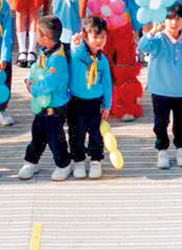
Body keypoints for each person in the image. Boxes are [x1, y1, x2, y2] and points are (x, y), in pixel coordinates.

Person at [137, 3, 182, 169]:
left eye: (178, 19)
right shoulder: (158, 40)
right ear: (163, 21)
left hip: (181, 91)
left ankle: (180, 148)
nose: (174, 23)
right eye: (169, 19)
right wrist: (152, 31)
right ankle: (162, 149)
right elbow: (142, 46)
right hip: (160, 90)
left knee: (180, 122)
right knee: (161, 122)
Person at [19, 14, 72, 182]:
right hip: (42, 104)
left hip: (55, 105)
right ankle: (31, 161)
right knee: (37, 133)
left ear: (45, 38)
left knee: (55, 137)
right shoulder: (44, 52)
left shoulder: (58, 59)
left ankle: (64, 164)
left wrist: (33, 88)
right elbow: (36, 68)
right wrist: (29, 79)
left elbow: (51, 82)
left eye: (37, 33)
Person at [66, 16, 113, 179]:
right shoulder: (79, 54)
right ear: (85, 36)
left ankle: (95, 160)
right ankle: (78, 160)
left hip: (95, 103)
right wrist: (75, 44)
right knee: (76, 133)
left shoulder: (102, 60)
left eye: (103, 37)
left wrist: (107, 105)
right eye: (95, 36)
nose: (99, 41)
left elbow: (107, 84)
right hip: (76, 102)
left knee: (96, 133)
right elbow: (74, 53)